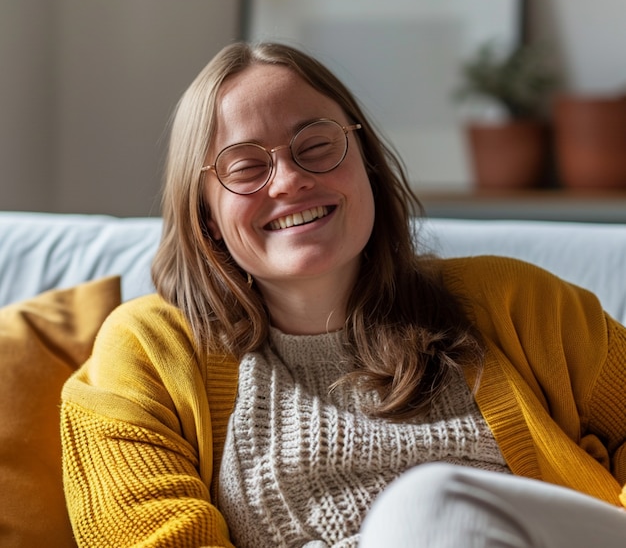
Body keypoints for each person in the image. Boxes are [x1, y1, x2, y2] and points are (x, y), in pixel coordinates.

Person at [61, 41, 626, 548]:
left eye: (316, 145)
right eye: (247, 166)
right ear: (205, 215)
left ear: (367, 167)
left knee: (430, 506)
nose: (289, 180)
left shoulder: (518, 302)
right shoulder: (148, 351)